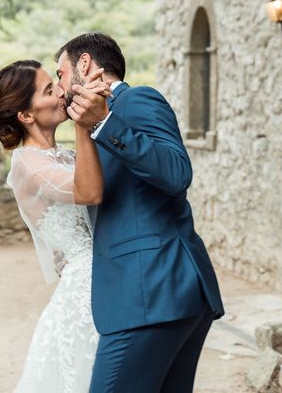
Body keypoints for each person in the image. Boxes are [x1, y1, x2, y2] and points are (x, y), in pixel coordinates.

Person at [56, 32, 225, 393]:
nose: (59, 87)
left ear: (84, 64)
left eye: (61, 74)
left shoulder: (136, 100)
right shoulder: (91, 124)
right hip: (152, 294)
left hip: (153, 289)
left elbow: (177, 173)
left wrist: (104, 123)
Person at [0, 59, 109, 392]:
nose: (60, 92)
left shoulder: (65, 156)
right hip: (85, 289)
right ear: (26, 116)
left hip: (102, 276)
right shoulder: (28, 163)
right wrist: (83, 125)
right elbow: (89, 191)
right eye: (48, 90)